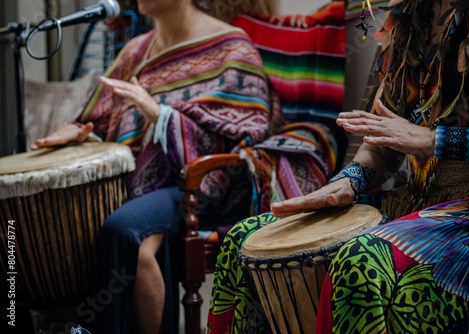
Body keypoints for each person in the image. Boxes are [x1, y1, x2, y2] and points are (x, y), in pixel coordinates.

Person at [208, 0, 469, 333]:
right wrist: (349, 180)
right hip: (419, 198)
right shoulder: (408, 15)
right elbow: (383, 142)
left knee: (360, 261)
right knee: (241, 240)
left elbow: (416, 138)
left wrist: (434, 140)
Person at [32, 0, 284, 333]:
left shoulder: (233, 47)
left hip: (204, 188)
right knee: (82, 229)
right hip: (136, 186)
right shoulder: (136, 51)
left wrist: (161, 116)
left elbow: (247, 138)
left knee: (125, 230)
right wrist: (77, 131)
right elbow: (98, 116)